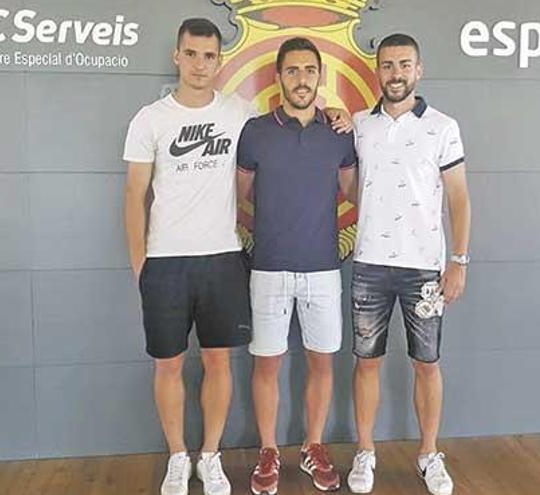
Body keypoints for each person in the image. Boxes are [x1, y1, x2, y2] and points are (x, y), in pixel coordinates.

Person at [123, 19, 353, 495]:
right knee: (168, 365)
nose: (200, 64)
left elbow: (302, 146)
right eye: (191, 54)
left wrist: (339, 113)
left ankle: (210, 456)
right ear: (177, 56)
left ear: (220, 61)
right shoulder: (150, 119)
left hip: (225, 259)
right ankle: (176, 457)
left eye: (209, 56)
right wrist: (140, 264)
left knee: (219, 362)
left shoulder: (241, 114)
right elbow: (133, 195)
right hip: (166, 261)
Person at [346, 33, 472, 495]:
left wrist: (458, 260)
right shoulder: (359, 125)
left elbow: (458, 196)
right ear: (376, 71)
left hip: (424, 271)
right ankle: (365, 452)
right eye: (387, 66)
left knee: (427, 364)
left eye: (404, 65)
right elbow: (348, 187)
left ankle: (428, 454)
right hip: (369, 266)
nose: (395, 74)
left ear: (418, 70)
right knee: (366, 363)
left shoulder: (443, 126)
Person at [236, 37, 357, 495]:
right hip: (267, 267)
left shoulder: (339, 133)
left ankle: (313, 445)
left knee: (322, 363)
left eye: (309, 70)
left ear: (320, 76)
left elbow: (354, 192)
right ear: (279, 77)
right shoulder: (256, 132)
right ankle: (268, 451)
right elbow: (240, 195)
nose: (301, 78)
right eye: (292, 71)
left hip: (323, 268)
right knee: (267, 364)